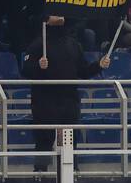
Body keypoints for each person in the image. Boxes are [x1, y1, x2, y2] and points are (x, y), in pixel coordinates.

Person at [21, 16, 111, 166]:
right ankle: (40, 175)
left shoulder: (73, 43)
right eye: (55, 13)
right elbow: (25, 71)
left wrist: (98, 65)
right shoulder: (38, 43)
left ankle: (72, 175)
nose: (60, 14)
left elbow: (82, 71)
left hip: (69, 100)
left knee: (69, 143)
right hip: (45, 101)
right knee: (44, 141)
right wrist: (38, 66)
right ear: (47, 20)